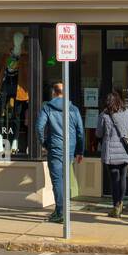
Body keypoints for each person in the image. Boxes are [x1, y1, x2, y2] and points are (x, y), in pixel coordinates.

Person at [35, 81, 84, 223]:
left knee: (57, 180)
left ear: (53, 93)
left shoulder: (47, 108)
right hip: (69, 149)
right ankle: (60, 211)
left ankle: (60, 212)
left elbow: (39, 127)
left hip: (55, 148)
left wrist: (44, 143)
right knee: (64, 179)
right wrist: (80, 151)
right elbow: (80, 132)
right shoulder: (73, 109)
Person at [97, 89, 128, 218]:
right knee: (123, 177)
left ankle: (116, 206)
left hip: (111, 153)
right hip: (125, 150)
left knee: (114, 180)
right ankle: (120, 204)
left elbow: (99, 133)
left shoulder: (104, 115)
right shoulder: (126, 112)